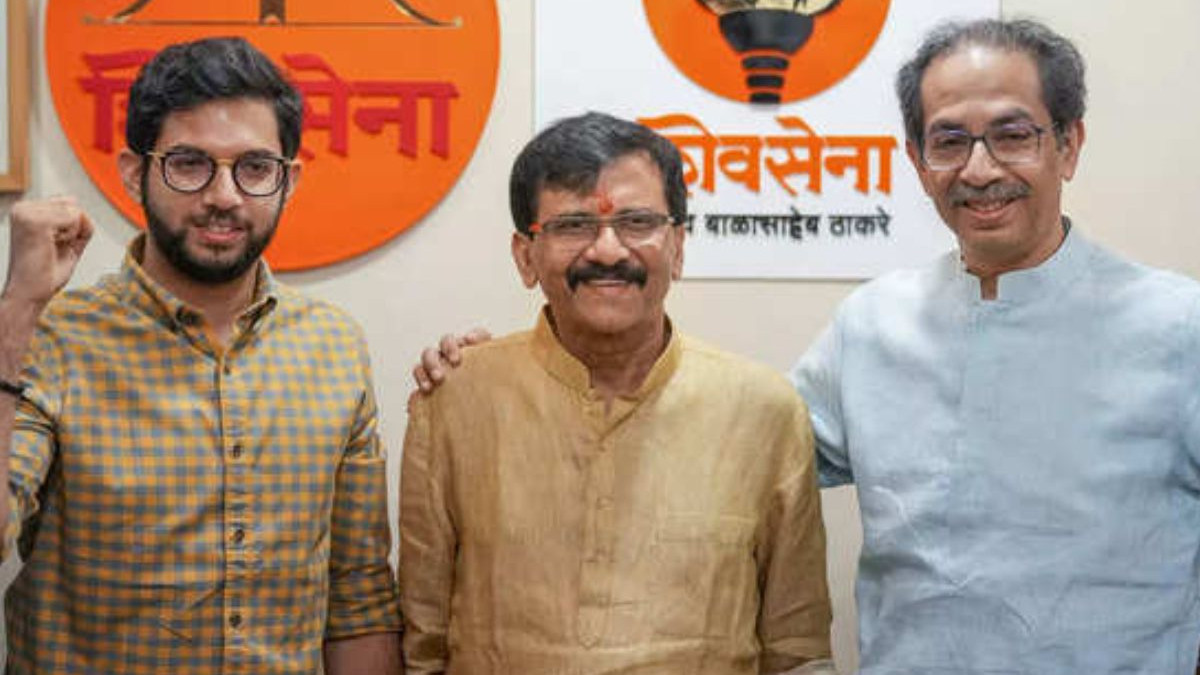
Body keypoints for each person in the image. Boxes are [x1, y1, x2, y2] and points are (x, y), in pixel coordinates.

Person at [788, 18, 1200, 674]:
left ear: (1068, 145)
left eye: (1012, 135)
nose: (979, 170)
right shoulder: (870, 324)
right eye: (949, 141)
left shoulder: (1179, 325)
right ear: (918, 162)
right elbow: (754, 461)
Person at [0, 37, 401, 674]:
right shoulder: (54, 338)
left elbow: (357, 595)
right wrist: (18, 307)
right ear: (135, 173)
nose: (224, 194)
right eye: (189, 164)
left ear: (289, 181)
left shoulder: (334, 348)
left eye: (255, 167)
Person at [399, 112, 834, 674]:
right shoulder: (456, 401)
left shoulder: (764, 412)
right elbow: (422, 648)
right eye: (573, 225)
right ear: (526, 256)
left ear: (678, 247)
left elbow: (797, 653)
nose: (607, 251)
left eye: (637, 222)